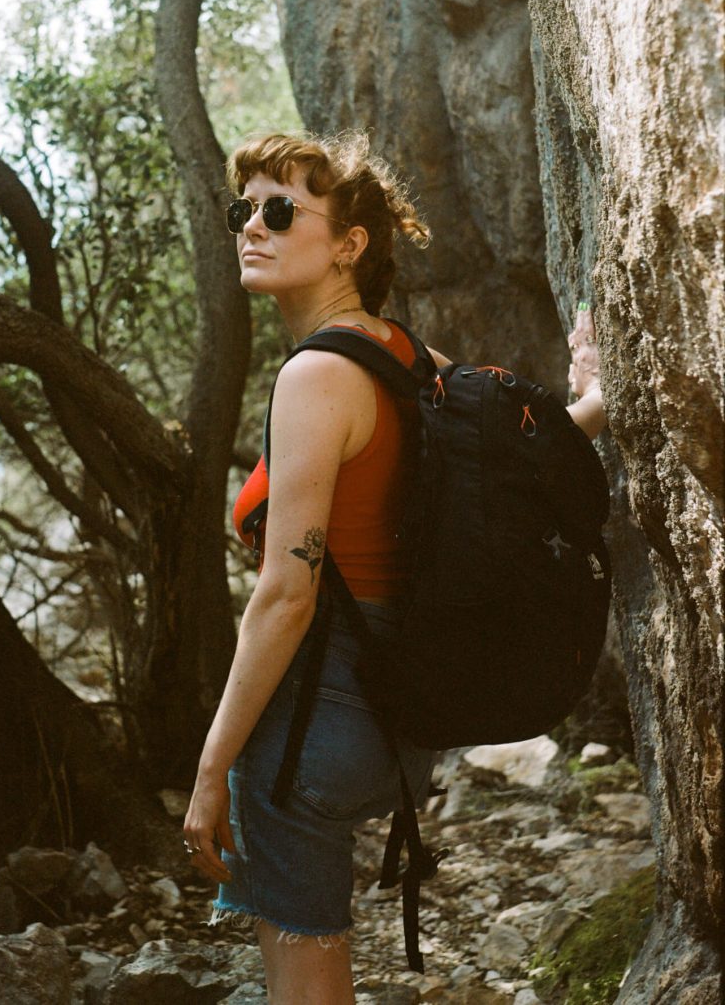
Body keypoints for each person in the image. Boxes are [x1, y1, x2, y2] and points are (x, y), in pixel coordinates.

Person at [183, 131, 605, 1004]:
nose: (251, 226)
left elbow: (285, 595)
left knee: (303, 981)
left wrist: (211, 767)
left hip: (311, 726)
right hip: (402, 725)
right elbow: (516, 465)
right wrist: (595, 396)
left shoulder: (313, 377)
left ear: (349, 243)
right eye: (241, 210)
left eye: (279, 211)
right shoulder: (414, 361)